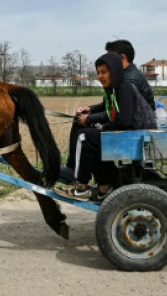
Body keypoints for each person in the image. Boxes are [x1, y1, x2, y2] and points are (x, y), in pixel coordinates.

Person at [57, 52, 156, 200]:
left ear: (114, 71)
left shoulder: (124, 88)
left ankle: (81, 186)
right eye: (98, 73)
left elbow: (124, 120)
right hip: (127, 132)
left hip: (134, 135)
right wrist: (90, 109)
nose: (100, 76)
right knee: (81, 126)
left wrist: (98, 126)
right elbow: (106, 106)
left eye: (104, 72)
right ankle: (102, 184)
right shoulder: (114, 89)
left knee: (85, 137)